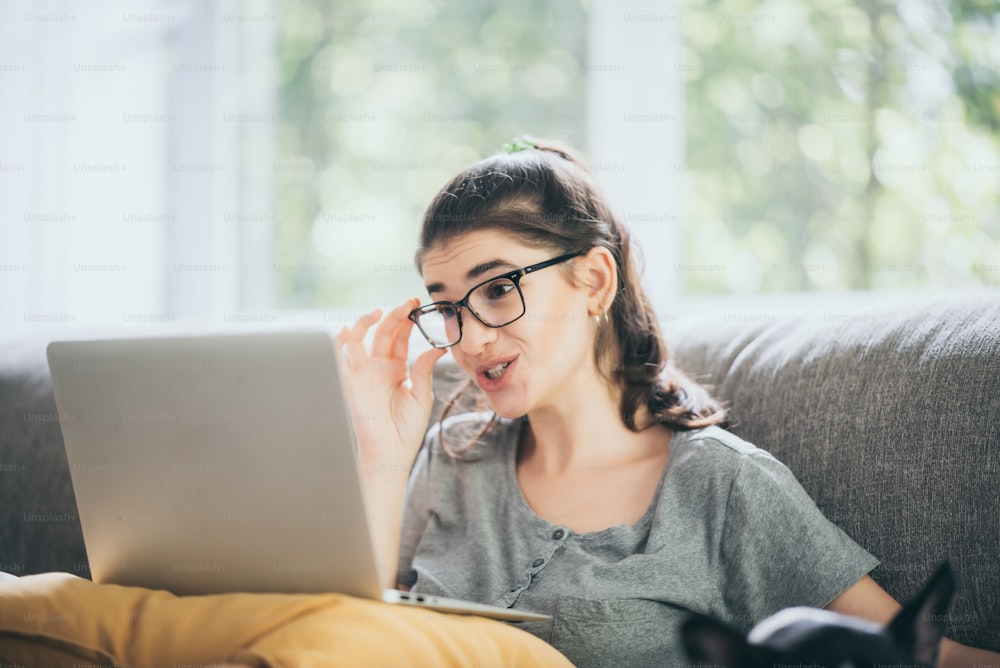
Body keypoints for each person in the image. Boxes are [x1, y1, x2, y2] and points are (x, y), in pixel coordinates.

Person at [336, 138, 999, 667]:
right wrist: (381, 456)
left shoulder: (723, 485)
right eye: (447, 307)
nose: (469, 339)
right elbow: (346, 642)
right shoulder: (451, 461)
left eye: (498, 290)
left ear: (594, 280)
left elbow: (926, 656)